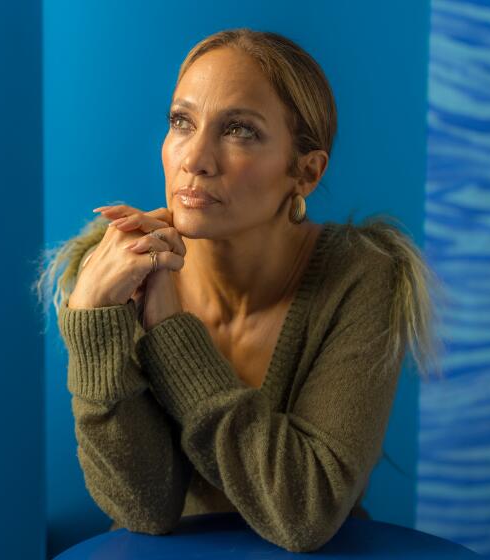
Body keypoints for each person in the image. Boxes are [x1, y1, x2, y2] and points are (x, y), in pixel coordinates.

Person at [34, 28, 443, 553]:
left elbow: (305, 513)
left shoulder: (361, 275)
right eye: (182, 122)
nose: (195, 159)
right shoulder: (112, 277)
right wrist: (94, 326)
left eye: (240, 131)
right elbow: (144, 508)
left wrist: (171, 335)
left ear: (305, 172)